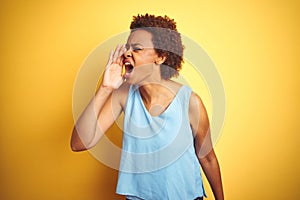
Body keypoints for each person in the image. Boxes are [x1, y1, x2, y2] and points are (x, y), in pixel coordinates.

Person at [71, 14, 224, 200]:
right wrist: (105, 88)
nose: (127, 53)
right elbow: (79, 143)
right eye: (127, 47)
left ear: (160, 56)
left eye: (137, 49)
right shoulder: (123, 95)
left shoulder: (190, 102)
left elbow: (207, 158)